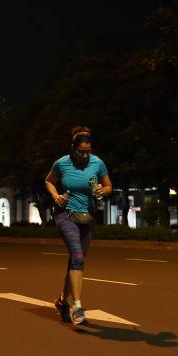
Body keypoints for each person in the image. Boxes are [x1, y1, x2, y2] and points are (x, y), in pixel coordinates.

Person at [45, 127, 112, 325]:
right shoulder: (62, 163)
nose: (85, 155)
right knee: (77, 256)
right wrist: (56, 196)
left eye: (88, 151)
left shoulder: (97, 163)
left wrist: (102, 190)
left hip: (87, 217)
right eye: (81, 151)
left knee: (75, 262)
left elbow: (109, 186)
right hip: (65, 215)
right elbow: (48, 181)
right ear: (72, 149)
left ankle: (61, 301)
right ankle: (77, 306)